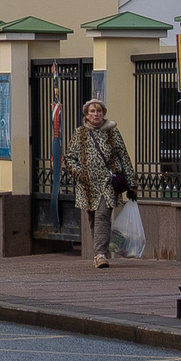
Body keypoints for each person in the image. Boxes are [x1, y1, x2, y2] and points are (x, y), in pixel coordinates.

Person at [63, 98, 133, 268]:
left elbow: (123, 156)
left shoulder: (112, 132)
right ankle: (98, 253)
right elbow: (69, 158)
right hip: (88, 186)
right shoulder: (80, 133)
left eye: (99, 111)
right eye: (92, 112)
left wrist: (132, 183)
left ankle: (100, 254)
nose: (96, 114)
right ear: (86, 116)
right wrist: (81, 174)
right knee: (94, 219)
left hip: (108, 183)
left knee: (102, 215)